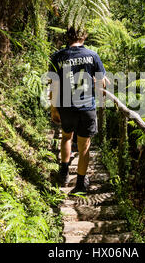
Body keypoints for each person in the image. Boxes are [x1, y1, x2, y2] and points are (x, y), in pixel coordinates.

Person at [49, 27, 107, 194]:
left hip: (65, 105)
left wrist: (54, 107)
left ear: (67, 37)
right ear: (84, 36)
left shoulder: (58, 56)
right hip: (86, 106)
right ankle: (80, 183)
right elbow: (101, 83)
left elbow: (53, 83)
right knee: (84, 146)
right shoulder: (92, 55)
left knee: (67, 137)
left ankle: (64, 172)